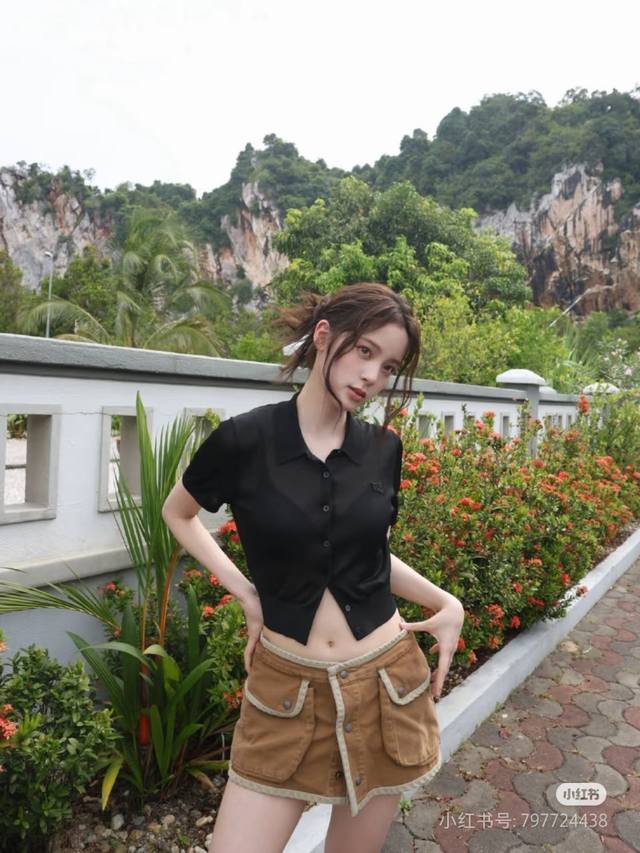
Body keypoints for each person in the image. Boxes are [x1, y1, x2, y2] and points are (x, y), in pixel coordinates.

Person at [162, 282, 465, 853]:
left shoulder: (383, 449)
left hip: (386, 684)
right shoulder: (245, 439)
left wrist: (445, 602)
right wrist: (247, 593)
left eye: (389, 365)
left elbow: (368, 557)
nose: (372, 376)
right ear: (324, 336)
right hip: (286, 690)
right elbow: (177, 514)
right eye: (365, 351)